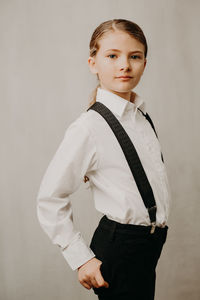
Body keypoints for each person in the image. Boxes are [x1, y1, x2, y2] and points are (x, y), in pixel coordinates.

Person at [36, 19, 171, 300]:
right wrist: (80, 258)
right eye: (112, 56)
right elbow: (50, 198)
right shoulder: (88, 127)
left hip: (149, 245)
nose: (125, 65)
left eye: (135, 56)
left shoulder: (141, 117)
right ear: (93, 63)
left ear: (145, 63)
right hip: (121, 246)